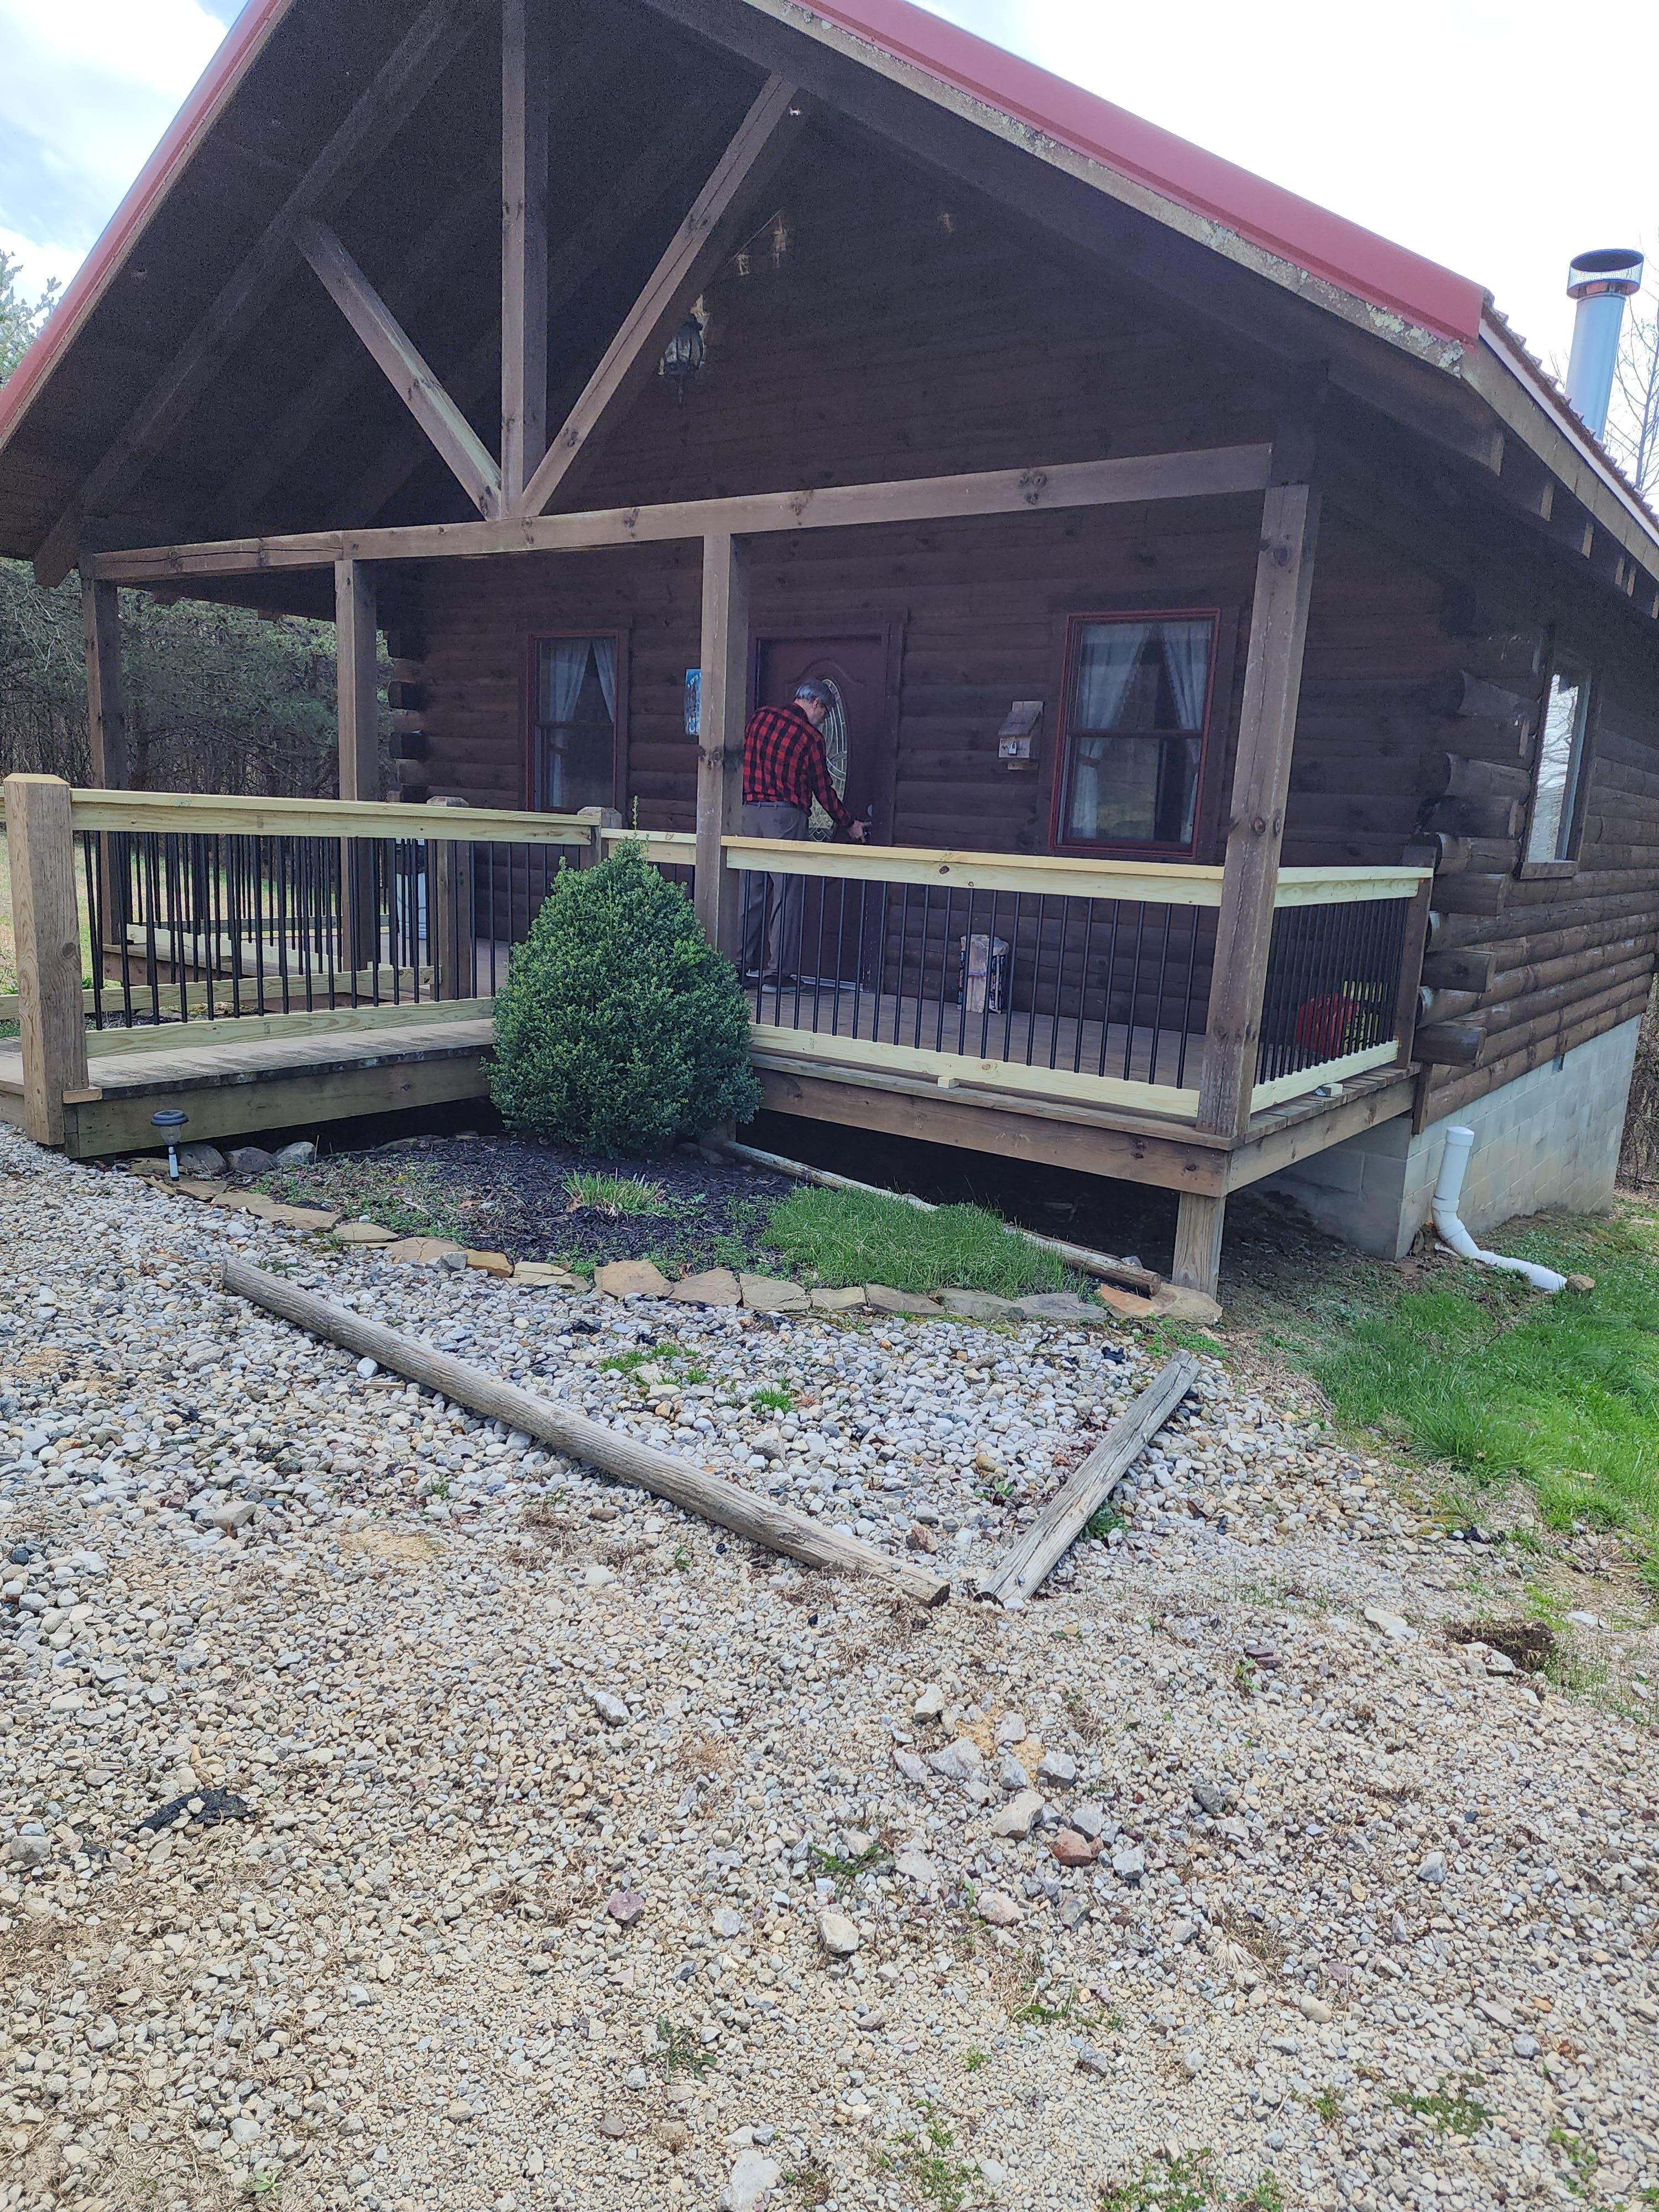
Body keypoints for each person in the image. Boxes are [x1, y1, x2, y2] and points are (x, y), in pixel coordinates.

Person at [739, 679, 868, 982]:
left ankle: (738, 965)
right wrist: (848, 823)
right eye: (825, 713)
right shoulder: (810, 737)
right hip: (785, 818)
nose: (823, 719)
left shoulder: (760, 718)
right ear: (816, 704)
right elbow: (823, 790)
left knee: (750, 892)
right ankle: (776, 974)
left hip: (749, 813)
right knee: (787, 894)